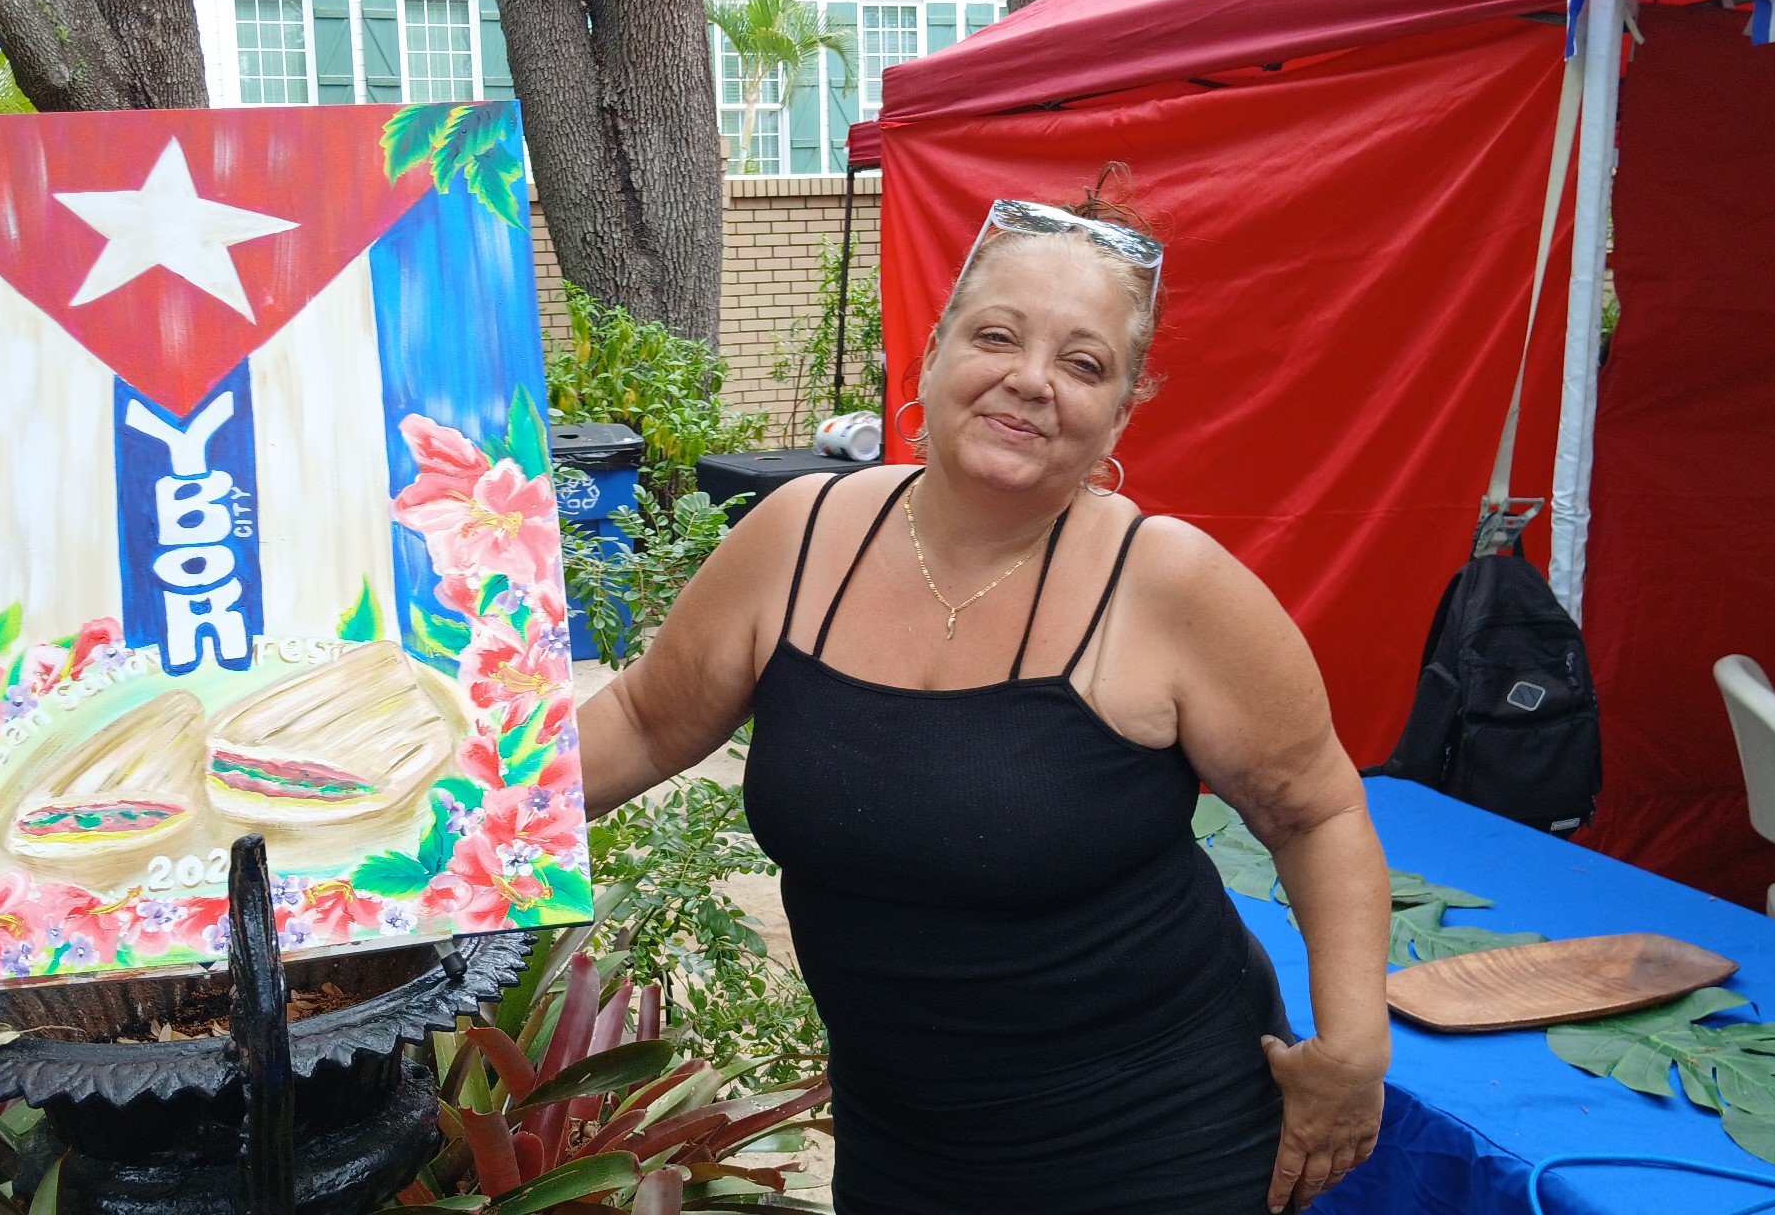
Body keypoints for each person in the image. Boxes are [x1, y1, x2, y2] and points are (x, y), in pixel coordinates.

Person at [574, 179, 1392, 1214]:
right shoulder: (797, 536)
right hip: (904, 1142)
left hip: (1158, 1142)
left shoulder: (1171, 585)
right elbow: (644, 718)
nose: (1030, 380)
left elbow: (1313, 808)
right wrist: (451, 831)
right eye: (996, 335)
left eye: (1082, 362)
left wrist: (1352, 1044)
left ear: (1122, 409)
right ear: (930, 353)